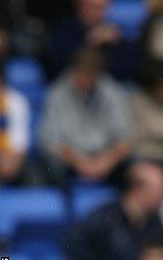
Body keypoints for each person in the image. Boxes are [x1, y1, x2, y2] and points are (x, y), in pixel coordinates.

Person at [40, 47, 132, 186]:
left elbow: (125, 139)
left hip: (106, 159)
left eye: (89, 74)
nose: (83, 78)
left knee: (135, 167)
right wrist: (80, 163)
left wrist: (105, 161)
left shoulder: (113, 93)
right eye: (79, 72)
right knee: (51, 167)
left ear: (98, 74)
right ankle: (67, 206)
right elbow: (50, 141)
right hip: (70, 160)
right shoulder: (56, 93)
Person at [67, 160, 163, 260]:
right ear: (138, 190)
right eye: (159, 188)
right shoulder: (103, 218)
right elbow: (74, 245)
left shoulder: (158, 224)